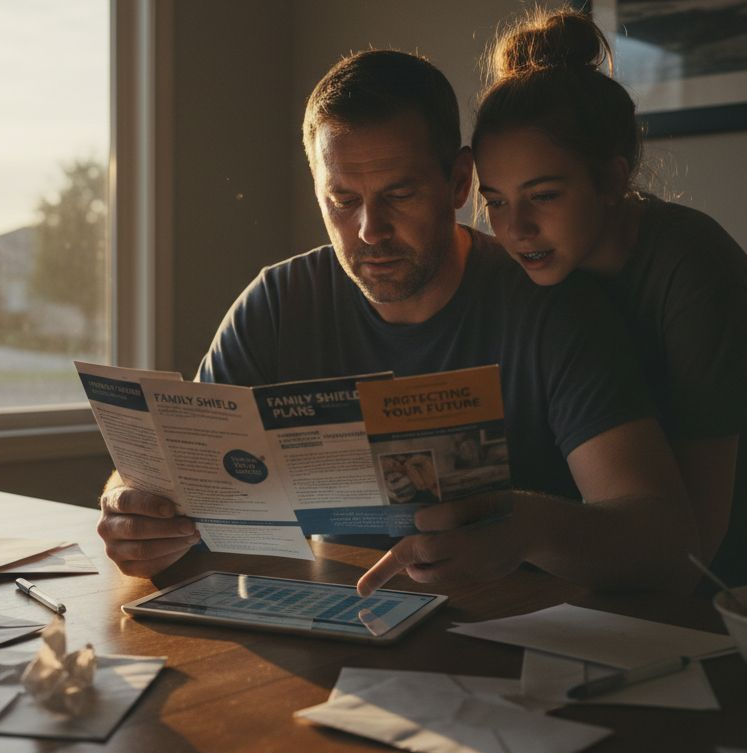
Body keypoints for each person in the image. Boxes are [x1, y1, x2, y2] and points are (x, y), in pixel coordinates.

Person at [99, 48, 701, 596]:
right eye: (343, 200)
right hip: (327, 626)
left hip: (506, 646)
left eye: (400, 193)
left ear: (459, 182)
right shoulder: (278, 303)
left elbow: (661, 533)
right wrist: (130, 511)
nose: (370, 230)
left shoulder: (550, 308)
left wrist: (528, 528)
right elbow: (171, 476)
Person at [470, 9, 747, 587]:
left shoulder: (695, 272)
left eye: (544, 195)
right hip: (627, 551)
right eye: (497, 201)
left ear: (611, 181)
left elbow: (693, 548)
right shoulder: (542, 268)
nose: (516, 229)